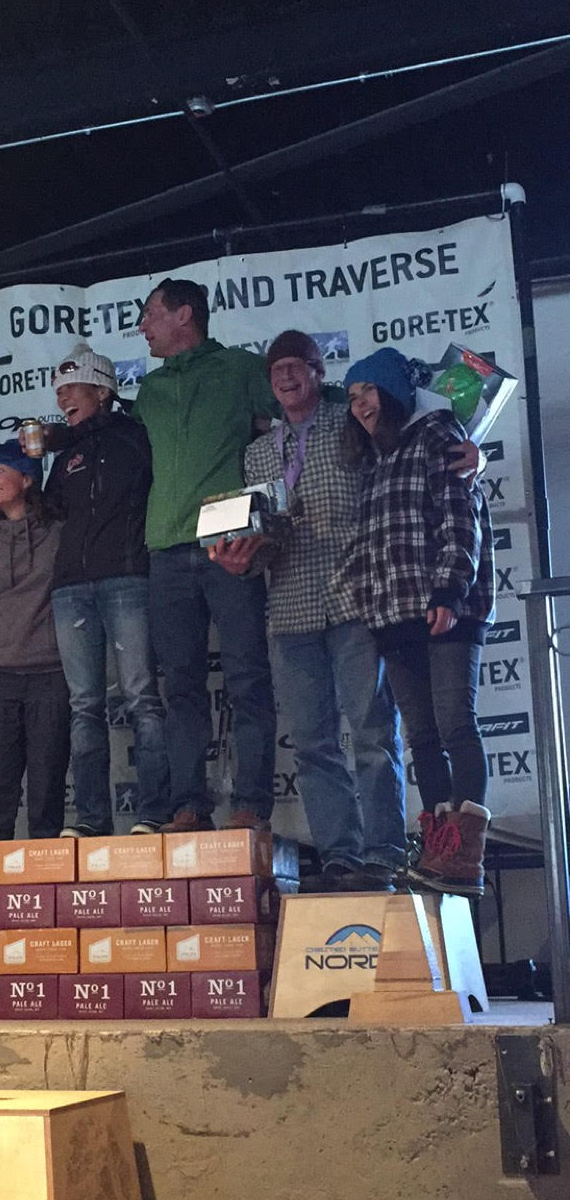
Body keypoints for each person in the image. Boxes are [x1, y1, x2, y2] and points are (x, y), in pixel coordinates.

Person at [210, 330, 406, 890]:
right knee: (314, 743)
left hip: (355, 599)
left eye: (297, 366)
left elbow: (396, 468)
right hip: (289, 608)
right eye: (277, 371)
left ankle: (386, 851)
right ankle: (340, 853)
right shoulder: (257, 452)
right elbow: (258, 531)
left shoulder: (353, 423)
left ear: (320, 372)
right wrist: (239, 560)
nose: (287, 377)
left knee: (372, 734)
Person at [343, 347, 495, 897]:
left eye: (368, 392)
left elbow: (460, 517)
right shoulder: (374, 460)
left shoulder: (438, 433)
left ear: (393, 391)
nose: (361, 406)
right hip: (393, 617)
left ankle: (465, 858)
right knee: (424, 740)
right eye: (353, 398)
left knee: (457, 725)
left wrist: (450, 590)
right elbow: (370, 543)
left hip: (445, 609)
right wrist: (367, 604)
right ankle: (438, 854)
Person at [135, 278, 278, 833]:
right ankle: (189, 807)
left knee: (246, 677)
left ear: (184, 315)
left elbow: (299, 412)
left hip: (229, 543)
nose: (143, 327)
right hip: (164, 550)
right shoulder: (147, 393)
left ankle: (250, 807)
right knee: (182, 686)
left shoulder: (242, 370)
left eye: (150, 315)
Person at [44, 343, 169, 836]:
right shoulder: (66, 452)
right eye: (58, 392)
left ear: (102, 389)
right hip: (71, 588)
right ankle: (92, 820)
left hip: (127, 579)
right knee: (84, 706)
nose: (62, 399)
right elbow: (53, 509)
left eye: (70, 389)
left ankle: (153, 812)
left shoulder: (137, 437)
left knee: (141, 696)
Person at [0, 440, 70, 940]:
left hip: (51, 671)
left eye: (1, 472)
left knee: (47, 794)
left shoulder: (59, 532)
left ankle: (42, 897)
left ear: (28, 479)